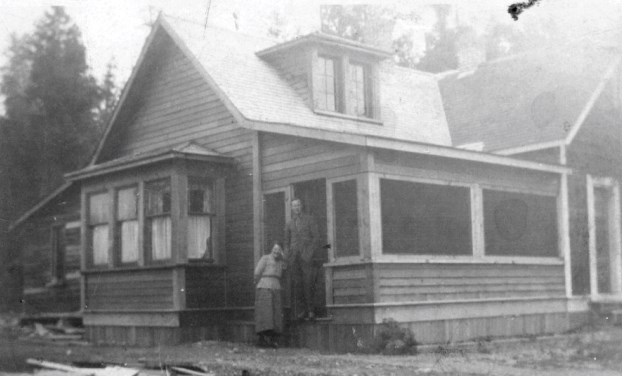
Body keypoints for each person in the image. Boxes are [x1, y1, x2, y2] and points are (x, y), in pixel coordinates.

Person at [284, 198, 320, 321]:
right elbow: (286, 242)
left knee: (308, 283)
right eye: (294, 206)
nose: (296, 208)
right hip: (294, 258)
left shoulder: (309, 219)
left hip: (306, 257)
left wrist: (309, 253)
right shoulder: (289, 223)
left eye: (298, 205)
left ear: (301, 206)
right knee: (297, 285)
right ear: (291, 208)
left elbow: (316, 238)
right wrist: (288, 256)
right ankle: (301, 312)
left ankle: (311, 311)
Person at [254, 241, 286, 348]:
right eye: (274, 250)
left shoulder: (281, 262)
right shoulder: (265, 258)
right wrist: (260, 283)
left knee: (275, 314)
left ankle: (272, 340)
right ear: (271, 250)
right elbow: (257, 272)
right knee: (265, 313)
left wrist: (284, 257)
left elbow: (286, 268)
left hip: (276, 287)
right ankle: (262, 339)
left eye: (278, 250)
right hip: (265, 286)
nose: (276, 252)